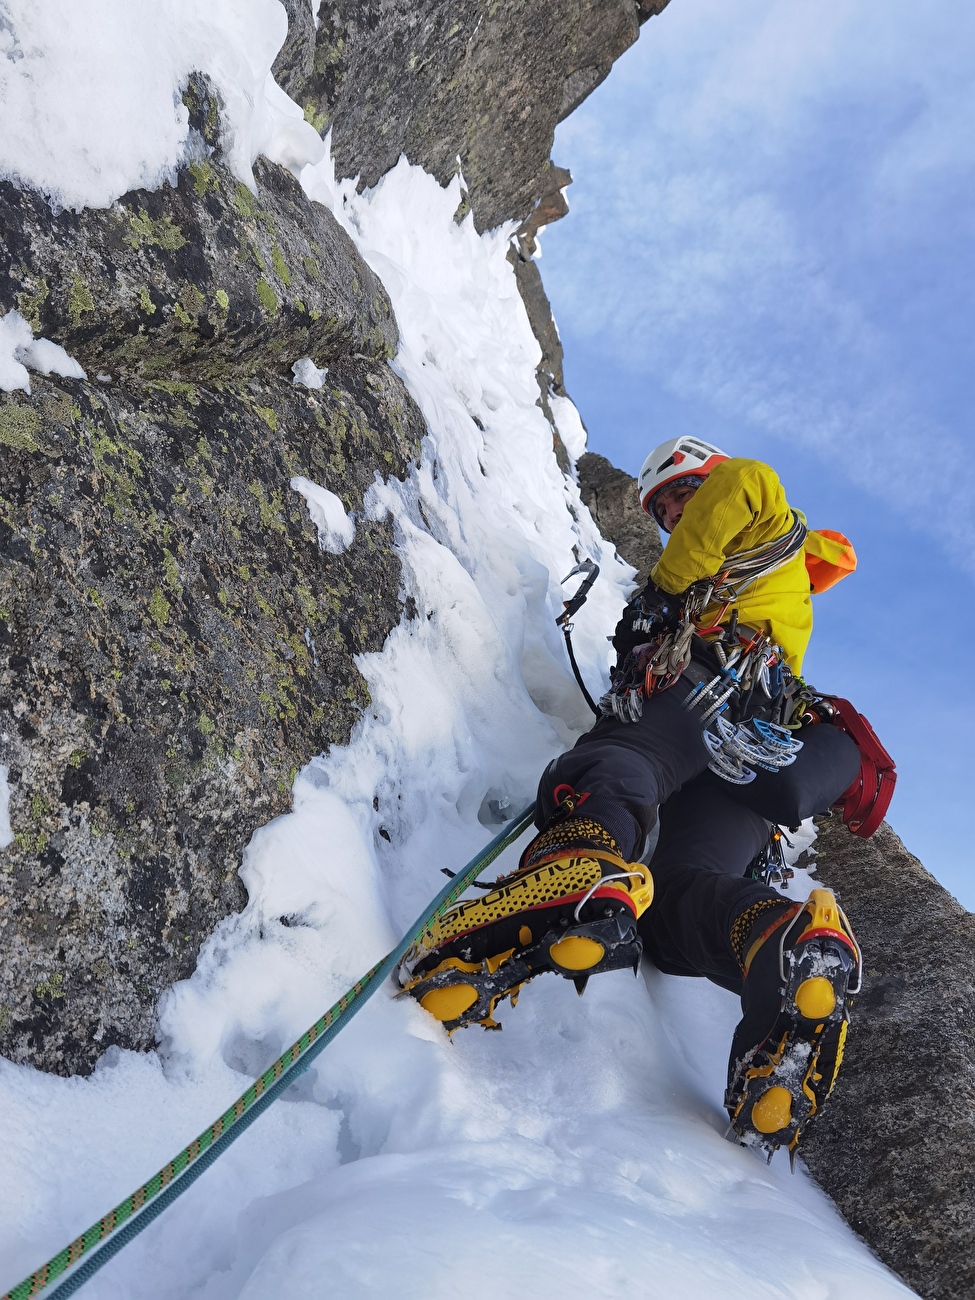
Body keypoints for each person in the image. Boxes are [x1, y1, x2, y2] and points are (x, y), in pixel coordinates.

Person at [400, 437, 879, 1160]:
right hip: (751, 764)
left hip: (712, 695)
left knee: (617, 761)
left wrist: (665, 586)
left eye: (680, 494)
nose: (671, 513)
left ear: (704, 475)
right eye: (660, 509)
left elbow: (746, 481)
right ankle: (783, 948)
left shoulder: (757, 515)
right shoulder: (765, 579)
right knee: (678, 902)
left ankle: (577, 863)